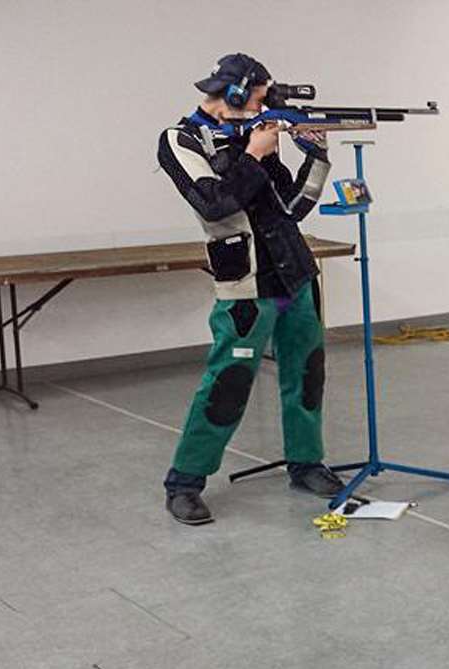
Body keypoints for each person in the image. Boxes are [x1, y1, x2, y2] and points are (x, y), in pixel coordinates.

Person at [156, 53, 345, 525]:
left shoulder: (254, 139)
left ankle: (305, 462)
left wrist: (317, 158)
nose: (264, 108)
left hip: (293, 277)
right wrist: (255, 153)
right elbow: (215, 204)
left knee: (306, 373)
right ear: (237, 93)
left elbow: (292, 208)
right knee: (228, 382)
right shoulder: (181, 140)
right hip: (246, 284)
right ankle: (184, 482)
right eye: (259, 99)